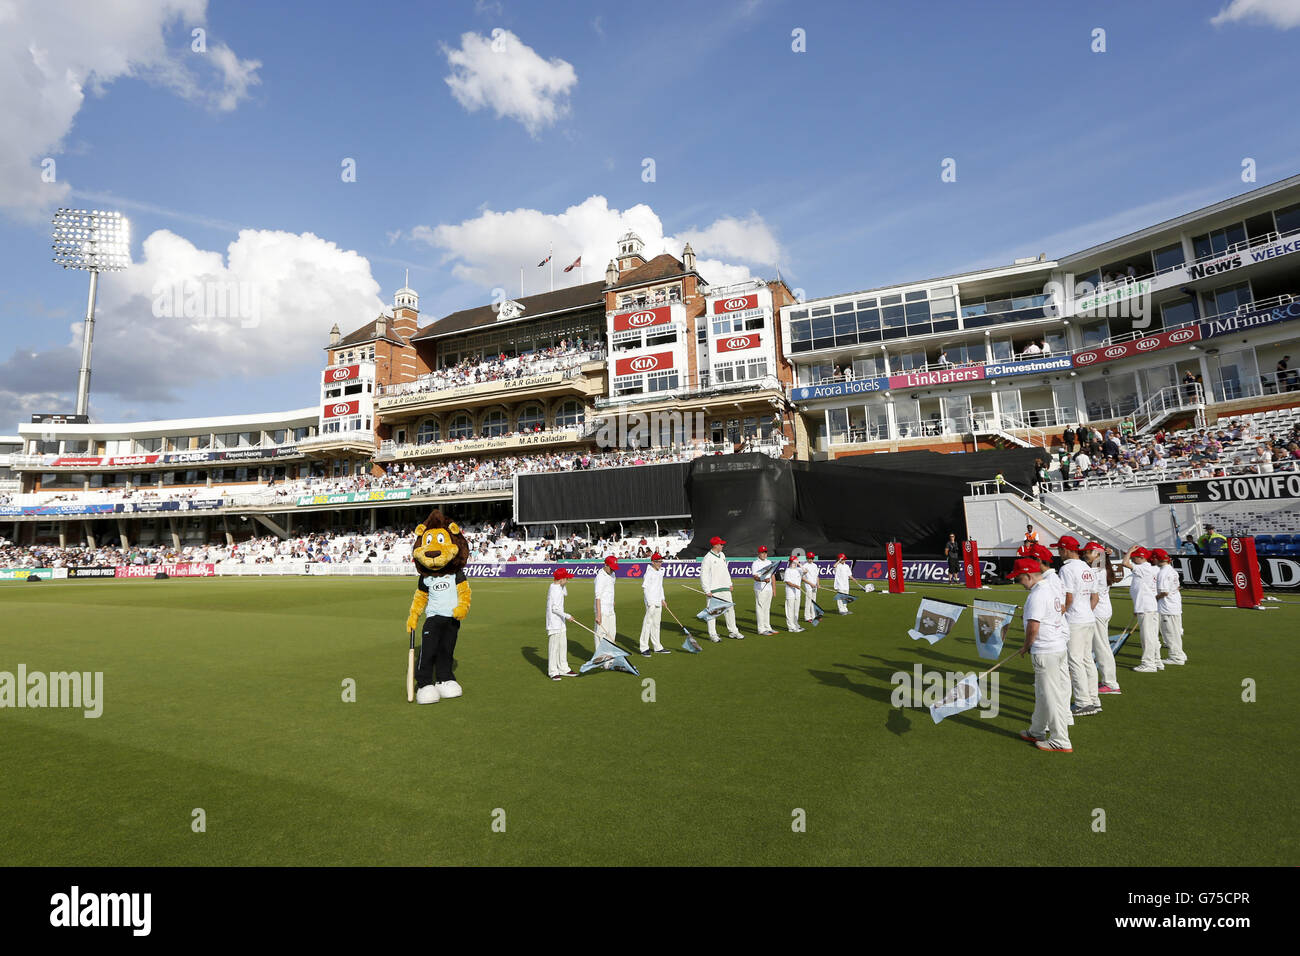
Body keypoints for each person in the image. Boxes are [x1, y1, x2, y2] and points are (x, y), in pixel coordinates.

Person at [1010, 557, 1073, 753]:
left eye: (1020, 579)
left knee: (1051, 695)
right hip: (1057, 647)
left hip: (1046, 650)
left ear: (1028, 576)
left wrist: (1026, 646)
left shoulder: (1036, 595)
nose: (1019, 583)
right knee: (1043, 693)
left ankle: (1061, 740)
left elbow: (1033, 626)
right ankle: (1036, 730)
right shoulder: (1050, 588)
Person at [1055, 536, 1101, 717]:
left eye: (1059, 549)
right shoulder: (1087, 568)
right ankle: (1093, 699)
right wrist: (1084, 613)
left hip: (1075, 620)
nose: (1058, 553)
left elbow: (1068, 597)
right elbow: (1095, 598)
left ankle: (1083, 702)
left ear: (1066, 550)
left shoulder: (1067, 569)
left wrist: (1059, 616)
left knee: (1075, 661)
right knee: (1087, 659)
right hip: (1088, 617)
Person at [1084, 542, 1121, 695]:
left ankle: (1111, 683)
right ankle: (1107, 680)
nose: (1086, 554)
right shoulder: (1101, 567)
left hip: (1098, 612)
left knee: (1102, 648)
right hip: (1102, 611)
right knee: (1099, 647)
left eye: (1089, 552)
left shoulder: (1097, 570)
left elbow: (1094, 597)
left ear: (1097, 555)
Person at [1123, 546, 1162, 672]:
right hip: (1147, 605)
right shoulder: (1147, 568)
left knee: (1147, 636)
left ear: (1141, 557)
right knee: (1152, 635)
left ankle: (1149, 663)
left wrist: (1129, 551)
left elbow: (1125, 563)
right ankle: (1157, 661)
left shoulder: (1143, 568)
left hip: (1146, 606)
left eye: (1134, 557)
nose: (1132, 559)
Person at [701, 536, 742, 641]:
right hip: (713, 590)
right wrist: (707, 590)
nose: (722, 546)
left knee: (730, 609)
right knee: (712, 612)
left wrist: (730, 583)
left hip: (725, 588)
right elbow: (703, 575)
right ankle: (713, 634)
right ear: (715, 545)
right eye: (721, 544)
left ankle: (733, 631)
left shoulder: (722, 555)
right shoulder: (707, 558)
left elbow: (725, 571)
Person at [1152, 549, 1187, 666]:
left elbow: (1164, 592)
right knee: (1175, 632)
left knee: (1170, 633)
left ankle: (1176, 657)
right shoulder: (1171, 570)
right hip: (1174, 605)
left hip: (1168, 606)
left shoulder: (1163, 573)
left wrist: (1155, 598)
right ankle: (1179, 654)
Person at [545, 568, 578, 680]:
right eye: (566, 578)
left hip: (560, 622)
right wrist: (567, 616)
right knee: (554, 647)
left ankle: (564, 668)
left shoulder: (559, 587)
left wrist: (563, 584)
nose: (568, 580)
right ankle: (553, 671)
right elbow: (555, 608)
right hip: (554, 623)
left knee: (563, 646)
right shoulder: (555, 589)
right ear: (561, 579)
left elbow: (566, 593)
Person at [639, 552, 670, 657]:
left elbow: (660, 587)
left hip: (658, 601)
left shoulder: (660, 572)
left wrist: (663, 599)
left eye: (661, 561)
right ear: (653, 562)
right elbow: (645, 588)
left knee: (656, 624)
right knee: (647, 623)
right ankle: (644, 647)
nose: (660, 563)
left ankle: (657, 647)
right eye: (658, 561)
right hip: (651, 602)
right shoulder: (649, 573)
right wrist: (649, 602)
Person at [594, 555, 619, 649]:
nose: (613, 570)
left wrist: (612, 601)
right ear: (605, 564)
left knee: (612, 634)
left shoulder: (613, 575)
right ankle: (601, 659)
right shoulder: (600, 577)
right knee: (601, 635)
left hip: (611, 609)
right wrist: (598, 615)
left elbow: (610, 589)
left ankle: (610, 659)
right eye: (611, 568)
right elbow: (598, 597)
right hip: (602, 610)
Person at [751, 545, 777, 635]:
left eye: (765, 552)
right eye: (762, 552)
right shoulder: (755, 563)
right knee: (760, 608)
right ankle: (761, 629)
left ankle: (768, 627)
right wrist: (763, 579)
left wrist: (774, 589)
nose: (764, 554)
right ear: (759, 553)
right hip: (760, 588)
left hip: (769, 589)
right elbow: (755, 577)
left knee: (767, 608)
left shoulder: (769, 562)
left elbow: (773, 576)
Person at [783, 552, 805, 633]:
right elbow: (787, 582)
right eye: (793, 562)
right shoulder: (788, 570)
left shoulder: (798, 570)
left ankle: (796, 625)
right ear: (790, 562)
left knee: (796, 611)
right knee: (790, 610)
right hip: (790, 593)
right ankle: (791, 627)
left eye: (795, 562)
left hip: (797, 594)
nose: (794, 564)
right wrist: (796, 586)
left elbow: (805, 571)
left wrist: (799, 564)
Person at [802, 552, 821, 622]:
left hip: (814, 586)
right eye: (809, 558)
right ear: (807, 558)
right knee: (808, 601)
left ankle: (814, 616)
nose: (811, 560)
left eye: (812, 558)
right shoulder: (804, 566)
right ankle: (807, 617)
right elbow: (803, 578)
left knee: (814, 601)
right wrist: (810, 584)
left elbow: (817, 576)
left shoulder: (815, 565)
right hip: (808, 586)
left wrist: (818, 584)